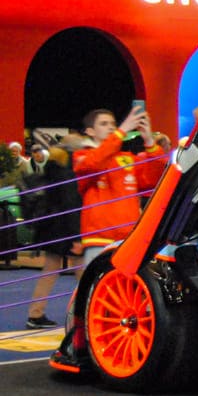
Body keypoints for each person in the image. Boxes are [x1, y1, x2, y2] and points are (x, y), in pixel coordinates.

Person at [74, 106, 167, 266]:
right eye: (104, 124)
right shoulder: (82, 156)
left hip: (129, 239)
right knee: (98, 282)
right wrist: (121, 131)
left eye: (113, 124)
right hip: (99, 239)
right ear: (90, 131)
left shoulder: (127, 158)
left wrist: (149, 142)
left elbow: (152, 181)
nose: (111, 127)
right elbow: (94, 164)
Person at [25, 145, 83, 329]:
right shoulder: (68, 176)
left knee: (49, 272)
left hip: (51, 230)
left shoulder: (50, 173)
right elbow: (70, 207)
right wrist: (76, 237)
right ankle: (89, 311)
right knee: (83, 272)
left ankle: (35, 313)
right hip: (66, 230)